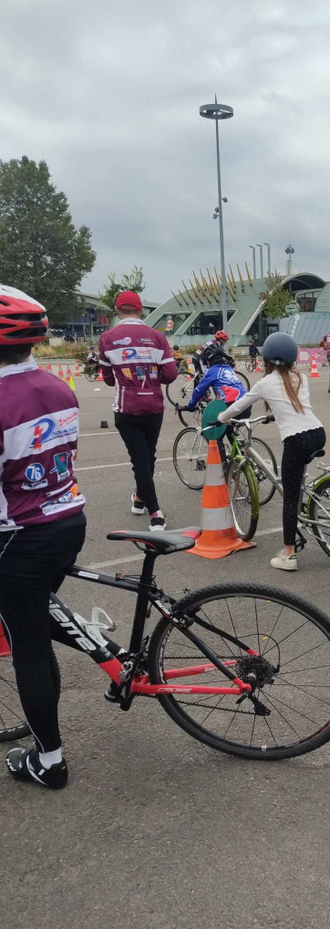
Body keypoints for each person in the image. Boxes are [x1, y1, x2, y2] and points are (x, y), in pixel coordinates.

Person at [0, 285, 87, 789]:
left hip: (20, 535)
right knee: (34, 617)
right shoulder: (58, 387)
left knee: (28, 644)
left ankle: (48, 761)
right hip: (67, 519)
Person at [218, 333, 325, 572]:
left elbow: (238, 406)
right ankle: (304, 514)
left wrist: (220, 418)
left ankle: (289, 554)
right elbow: (295, 403)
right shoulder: (301, 376)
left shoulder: (264, 383)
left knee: (288, 497)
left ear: (266, 358)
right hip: (317, 432)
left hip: (297, 439)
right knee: (296, 486)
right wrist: (273, 414)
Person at [99, 290, 178, 530]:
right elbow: (171, 374)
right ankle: (155, 511)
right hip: (153, 406)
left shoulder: (107, 338)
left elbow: (108, 379)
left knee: (141, 460)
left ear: (117, 311)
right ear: (141, 310)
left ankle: (141, 499)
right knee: (147, 458)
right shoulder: (156, 336)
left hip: (126, 409)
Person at [177, 347, 250, 421]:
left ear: (208, 362)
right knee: (228, 428)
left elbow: (199, 390)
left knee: (210, 425)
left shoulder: (212, 371)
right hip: (246, 404)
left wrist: (190, 406)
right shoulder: (229, 368)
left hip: (231, 405)